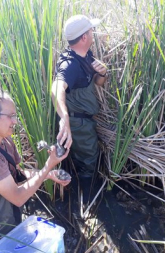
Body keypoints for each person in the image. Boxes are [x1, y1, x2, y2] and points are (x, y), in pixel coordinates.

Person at [0, 89, 70, 252]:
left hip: (8, 227)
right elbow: (18, 197)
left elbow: (18, 176)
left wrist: (48, 175)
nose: (16, 121)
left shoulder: (4, 141)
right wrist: (49, 164)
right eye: (11, 116)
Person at [51, 15, 107, 198]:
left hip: (85, 121)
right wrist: (65, 119)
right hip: (79, 124)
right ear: (84, 37)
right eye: (91, 31)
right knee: (89, 163)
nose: (93, 33)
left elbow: (98, 83)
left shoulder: (84, 56)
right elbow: (56, 89)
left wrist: (103, 73)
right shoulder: (70, 65)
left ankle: (81, 194)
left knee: (87, 160)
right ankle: (86, 198)